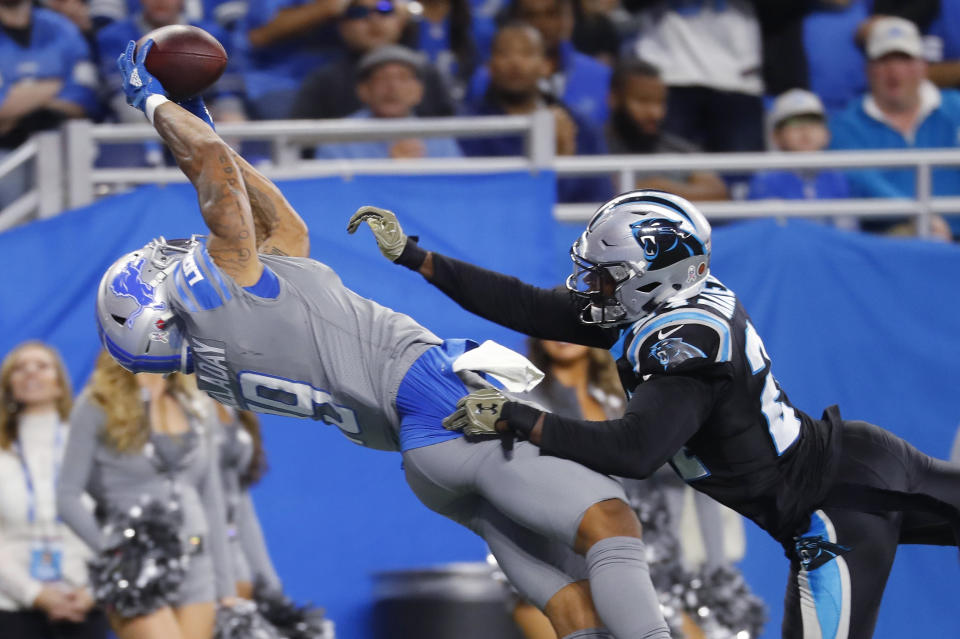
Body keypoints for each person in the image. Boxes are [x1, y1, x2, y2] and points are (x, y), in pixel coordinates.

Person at [92, 39, 673, 639]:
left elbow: (280, 225)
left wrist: (200, 119)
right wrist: (157, 105)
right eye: (153, 268)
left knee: (572, 599)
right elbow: (214, 173)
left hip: (423, 455)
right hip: (442, 410)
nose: (166, 255)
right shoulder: (214, 297)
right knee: (611, 523)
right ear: (161, 306)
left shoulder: (229, 340)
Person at [352, 191, 960, 639]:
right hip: (853, 468)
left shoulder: (685, 340)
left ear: (654, 275)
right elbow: (532, 306)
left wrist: (515, 417)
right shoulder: (673, 298)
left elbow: (635, 451)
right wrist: (415, 257)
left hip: (836, 509)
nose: (589, 285)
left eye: (605, 273)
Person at [57, 352, 235, 639]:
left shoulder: (198, 404)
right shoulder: (97, 403)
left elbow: (212, 500)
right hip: (135, 567)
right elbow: (67, 496)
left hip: (197, 561)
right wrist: (115, 551)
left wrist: (227, 589)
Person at [0, 341, 107, 639]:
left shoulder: (93, 446)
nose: (31, 373)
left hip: (87, 604)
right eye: (20, 368)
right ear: (9, 385)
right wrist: (35, 594)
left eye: (42, 366)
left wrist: (94, 590)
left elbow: (115, 524)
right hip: (12, 609)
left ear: (60, 383)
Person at [830, 16, 960, 233]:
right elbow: (860, 182)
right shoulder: (845, 125)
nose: (894, 72)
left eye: (904, 60)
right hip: (889, 243)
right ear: (868, 69)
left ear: (923, 66)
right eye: (884, 61)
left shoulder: (955, 108)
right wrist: (919, 215)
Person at [459, 22, 611, 204]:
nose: (515, 63)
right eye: (504, 53)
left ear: (546, 65)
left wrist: (563, 163)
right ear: (490, 66)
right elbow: (477, 197)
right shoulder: (468, 129)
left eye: (526, 53)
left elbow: (598, 198)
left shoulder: (581, 127)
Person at [0, 0, 98, 207]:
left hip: (60, 144)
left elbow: (83, 98)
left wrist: (18, 94)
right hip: (6, 149)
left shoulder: (62, 28)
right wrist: (54, 85)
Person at [290, 0, 455, 121]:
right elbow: (300, 148)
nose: (373, 19)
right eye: (358, 12)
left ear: (401, 20)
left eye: (385, 9)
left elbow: (453, 138)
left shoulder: (428, 74)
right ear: (341, 26)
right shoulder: (324, 82)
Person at [463, 0, 611, 130]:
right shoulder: (483, 79)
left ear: (569, 17)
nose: (542, 24)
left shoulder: (601, 76)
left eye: (551, 14)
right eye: (530, 15)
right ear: (515, 18)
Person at [605, 58, 727, 203]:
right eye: (643, 101)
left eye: (660, 102)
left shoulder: (679, 149)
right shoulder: (593, 147)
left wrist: (659, 188)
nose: (655, 113)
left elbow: (719, 193)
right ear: (614, 99)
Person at [314, 45, 463, 160]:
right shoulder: (337, 137)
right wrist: (388, 168)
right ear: (363, 90)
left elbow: (455, 190)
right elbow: (332, 195)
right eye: (382, 78)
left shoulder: (439, 137)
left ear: (419, 91)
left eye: (403, 78)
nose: (393, 87)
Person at [213, 405, 281, 600]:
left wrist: (269, 584)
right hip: (196, 554)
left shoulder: (232, 400)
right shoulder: (177, 398)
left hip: (233, 550)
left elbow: (242, 506)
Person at [748, 88, 850, 202]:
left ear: (826, 133)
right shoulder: (765, 178)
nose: (805, 130)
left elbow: (845, 219)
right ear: (776, 136)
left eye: (813, 121)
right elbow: (767, 219)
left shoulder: (836, 177)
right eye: (794, 122)